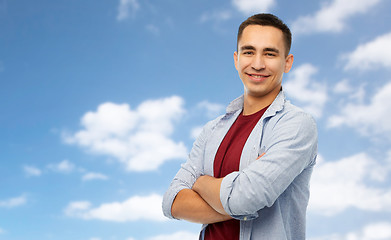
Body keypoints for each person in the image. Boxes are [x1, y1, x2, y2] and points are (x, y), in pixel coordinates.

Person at [162, 13, 318, 240]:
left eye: (270, 53)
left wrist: (201, 183)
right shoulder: (212, 130)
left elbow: (246, 199)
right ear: (236, 59)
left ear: (287, 62)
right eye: (249, 51)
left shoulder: (296, 125)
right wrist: (238, 195)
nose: (257, 64)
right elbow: (172, 202)